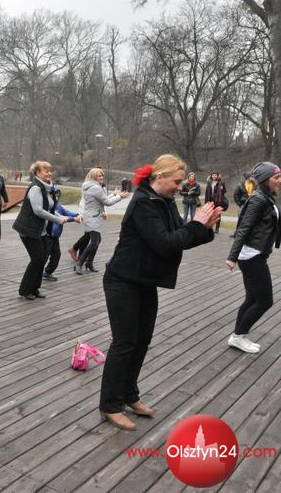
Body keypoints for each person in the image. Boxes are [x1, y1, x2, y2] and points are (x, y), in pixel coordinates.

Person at [99, 154, 221, 431]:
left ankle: (129, 395)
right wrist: (196, 225)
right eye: (176, 181)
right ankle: (110, 404)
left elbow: (180, 237)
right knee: (124, 343)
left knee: (142, 341)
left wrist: (204, 228)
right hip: (122, 280)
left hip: (144, 280)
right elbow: (165, 243)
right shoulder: (144, 203)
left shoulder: (164, 201)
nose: (180, 186)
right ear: (160, 177)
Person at [226, 162, 281, 354]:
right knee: (265, 301)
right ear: (265, 179)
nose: (280, 181)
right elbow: (244, 228)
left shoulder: (266, 197)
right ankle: (238, 336)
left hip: (254, 254)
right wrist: (232, 257)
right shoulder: (258, 200)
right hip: (252, 256)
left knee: (252, 298)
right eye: (276, 177)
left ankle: (238, 336)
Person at [13, 160, 68, 300]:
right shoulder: (36, 188)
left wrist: (61, 216)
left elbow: (50, 208)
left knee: (42, 259)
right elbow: (38, 210)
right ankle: (25, 290)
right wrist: (57, 220)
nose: (49, 173)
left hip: (40, 230)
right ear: (38, 173)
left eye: (50, 171)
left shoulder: (47, 188)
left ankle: (35, 289)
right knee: (36, 260)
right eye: (46, 171)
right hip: (28, 230)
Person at [74, 168, 129, 275]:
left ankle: (89, 263)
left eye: (102, 175)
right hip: (92, 218)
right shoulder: (96, 188)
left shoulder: (91, 186)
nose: (101, 177)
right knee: (94, 242)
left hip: (92, 217)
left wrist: (114, 195)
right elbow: (107, 202)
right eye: (99, 176)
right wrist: (120, 196)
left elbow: (102, 199)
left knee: (97, 240)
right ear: (93, 177)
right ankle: (79, 263)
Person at [42, 185, 80, 281]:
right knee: (44, 256)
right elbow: (59, 217)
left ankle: (47, 272)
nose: (56, 196)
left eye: (58, 194)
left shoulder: (58, 205)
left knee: (56, 256)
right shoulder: (48, 206)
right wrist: (74, 219)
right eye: (54, 194)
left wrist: (76, 214)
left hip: (55, 237)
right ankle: (36, 273)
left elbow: (66, 212)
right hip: (48, 236)